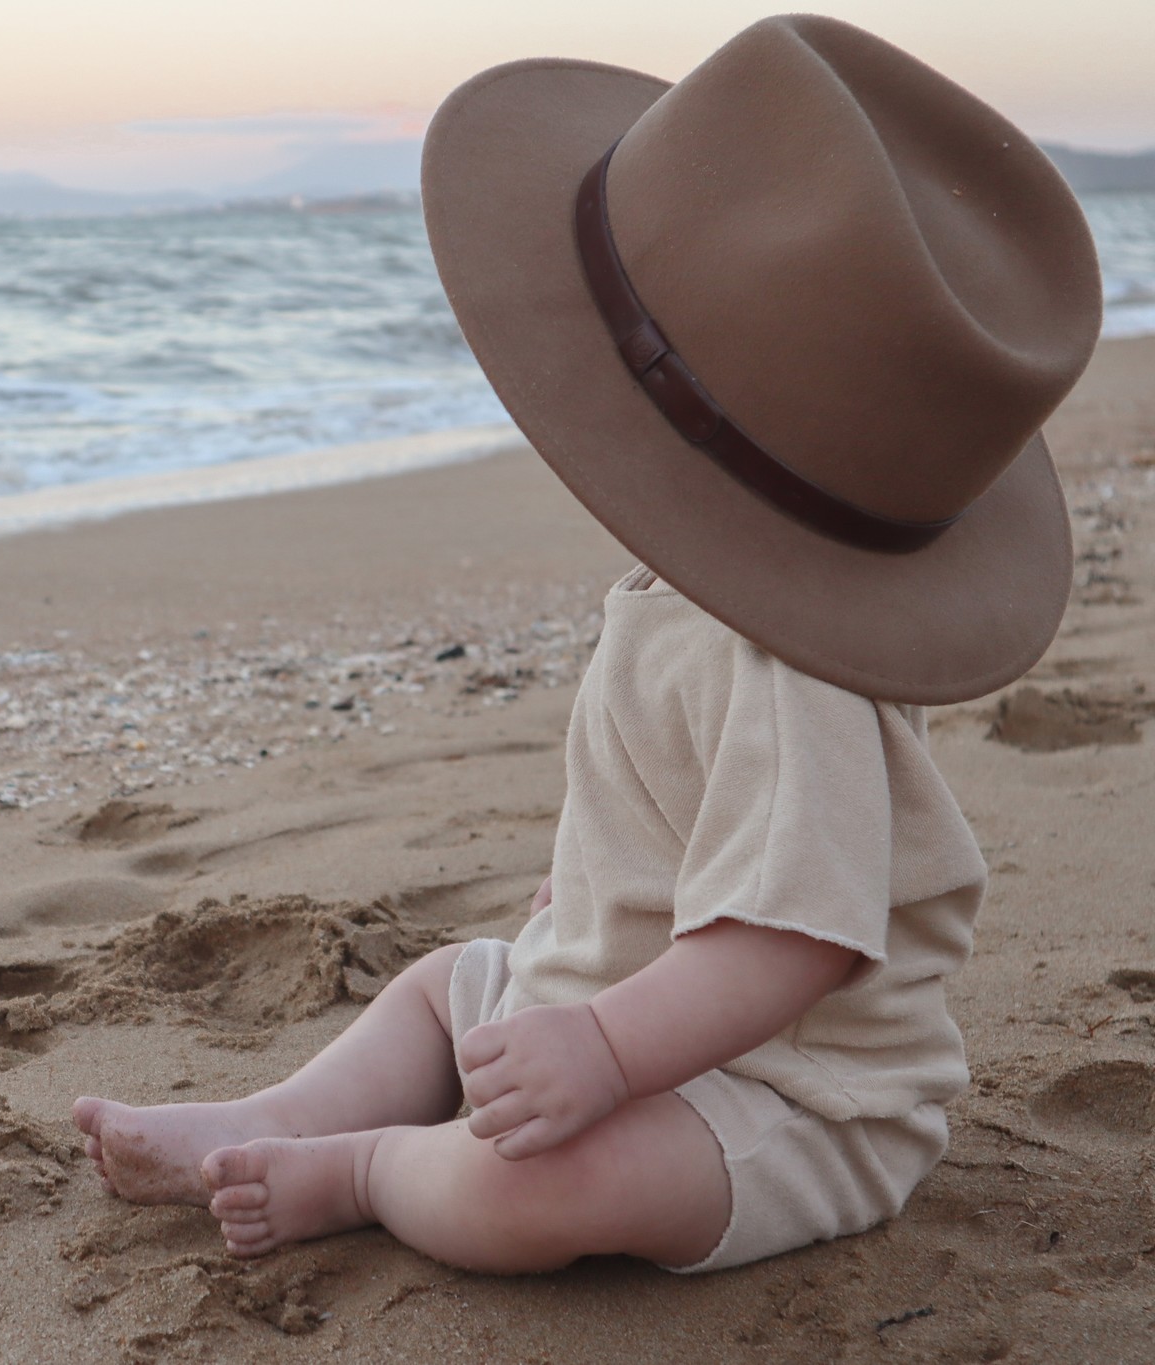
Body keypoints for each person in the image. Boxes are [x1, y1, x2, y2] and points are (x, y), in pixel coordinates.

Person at [73, 12, 1104, 1274]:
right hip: (629, 1000)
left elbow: (790, 943)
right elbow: (682, 818)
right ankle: (273, 1119)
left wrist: (605, 1050)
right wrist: (586, 915)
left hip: (785, 1093)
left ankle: (367, 1164)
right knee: (447, 983)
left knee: (535, 1192)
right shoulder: (703, 591)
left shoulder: (788, 670)